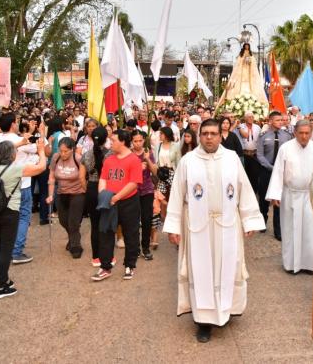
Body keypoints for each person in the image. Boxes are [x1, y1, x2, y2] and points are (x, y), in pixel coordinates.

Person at [163, 118, 265, 343]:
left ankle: (225, 310)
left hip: (227, 225)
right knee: (201, 272)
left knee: (227, 268)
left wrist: (250, 220)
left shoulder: (231, 159)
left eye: (213, 133)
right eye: (205, 133)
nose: (209, 137)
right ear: (200, 136)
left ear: (221, 135)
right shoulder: (188, 161)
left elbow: (243, 190)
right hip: (197, 228)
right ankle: (203, 322)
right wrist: (173, 226)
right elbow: (177, 195)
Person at [0, 139, 47, 299]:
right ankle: (0, 286)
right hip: (9, 211)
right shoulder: (15, 168)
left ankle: (4, 279)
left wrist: (17, 144)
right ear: (11, 155)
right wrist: (41, 150)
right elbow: (41, 167)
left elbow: (2, 151)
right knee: (7, 248)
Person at [265, 119, 313, 273]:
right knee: (290, 229)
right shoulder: (285, 148)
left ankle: (309, 264)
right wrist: (276, 193)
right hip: (290, 194)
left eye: (307, 133)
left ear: (311, 133)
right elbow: (278, 172)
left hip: (310, 195)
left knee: (309, 230)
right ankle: (290, 264)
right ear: (295, 132)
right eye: (301, 133)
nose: (304, 136)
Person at [92, 129, 143, 282]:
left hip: (128, 202)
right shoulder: (109, 159)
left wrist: (117, 197)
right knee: (105, 233)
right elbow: (103, 178)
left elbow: (134, 183)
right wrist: (103, 195)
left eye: (113, 140)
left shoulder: (134, 160)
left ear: (122, 141)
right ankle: (105, 266)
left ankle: (130, 265)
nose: (110, 143)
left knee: (131, 234)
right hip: (109, 201)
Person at [0, 111, 38, 264]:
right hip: (22, 184)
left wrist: (29, 134)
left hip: (3, 184)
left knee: (9, 217)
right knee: (23, 217)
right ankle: (17, 251)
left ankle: (8, 248)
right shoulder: (19, 141)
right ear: (13, 124)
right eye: (17, 121)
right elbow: (37, 149)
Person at [47, 138, 87, 259]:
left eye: (66, 151)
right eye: (61, 151)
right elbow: (52, 177)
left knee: (73, 222)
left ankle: (76, 246)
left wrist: (85, 191)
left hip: (77, 193)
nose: (63, 154)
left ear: (72, 150)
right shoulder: (56, 157)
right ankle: (73, 238)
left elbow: (84, 177)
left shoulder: (78, 159)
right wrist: (50, 195)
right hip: (61, 193)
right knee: (63, 221)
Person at [256, 111, 292, 240]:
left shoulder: (287, 136)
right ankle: (262, 220)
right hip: (267, 170)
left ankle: (278, 230)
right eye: (277, 120)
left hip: (281, 171)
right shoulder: (264, 136)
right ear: (270, 121)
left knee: (278, 200)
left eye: (281, 120)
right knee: (264, 199)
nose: (280, 122)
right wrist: (270, 167)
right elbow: (259, 154)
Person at [215, 43, 268, 111]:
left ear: (249, 47)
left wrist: (250, 61)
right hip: (241, 72)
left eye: (247, 46)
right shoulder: (241, 55)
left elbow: (254, 64)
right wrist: (243, 60)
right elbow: (238, 64)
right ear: (244, 47)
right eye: (245, 46)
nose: (246, 47)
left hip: (249, 72)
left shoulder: (251, 55)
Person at [130, 130, 157, 261]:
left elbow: (154, 171)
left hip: (147, 190)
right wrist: (137, 167)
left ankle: (145, 247)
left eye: (140, 141)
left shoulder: (148, 152)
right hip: (132, 191)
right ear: (131, 141)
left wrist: (147, 158)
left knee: (147, 220)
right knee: (133, 221)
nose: (138, 143)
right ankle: (134, 248)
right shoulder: (128, 154)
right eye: (135, 141)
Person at [84, 126, 108, 267]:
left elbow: (82, 177)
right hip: (106, 189)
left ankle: (96, 257)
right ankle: (107, 256)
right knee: (106, 224)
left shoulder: (86, 154)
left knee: (94, 224)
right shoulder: (110, 154)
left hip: (91, 188)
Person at [238, 112, 262, 194]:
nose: (251, 118)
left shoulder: (257, 127)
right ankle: (245, 193)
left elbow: (260, 139)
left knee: (255, 175)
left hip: (254, 154)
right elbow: (244, 136)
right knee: (245, 175)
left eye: (252, 117)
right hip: (244, 154)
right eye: (248, 117)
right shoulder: (241, 126)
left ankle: (254, 193)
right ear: (245, 118)